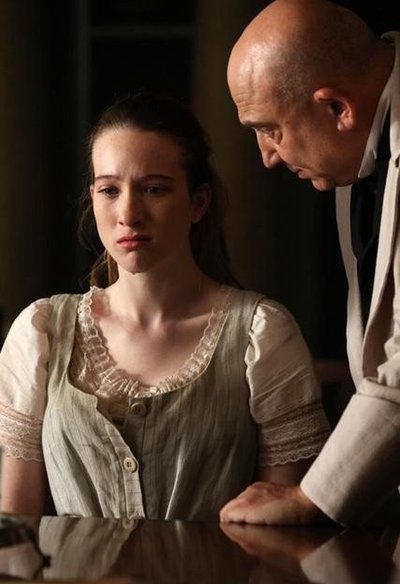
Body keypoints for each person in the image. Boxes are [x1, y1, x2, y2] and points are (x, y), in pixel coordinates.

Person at [0, 90, 330, 520]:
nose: (129, 213)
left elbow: (286, 524)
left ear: (198, 203)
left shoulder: (261, 333)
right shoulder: (41, 331)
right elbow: (16, 525)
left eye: (153, 189)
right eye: (109, 190)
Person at [220, 0, 400, 527]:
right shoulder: (357, 145)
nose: (267, 156)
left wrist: (311, 498)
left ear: (337, 108)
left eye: (269, 128)